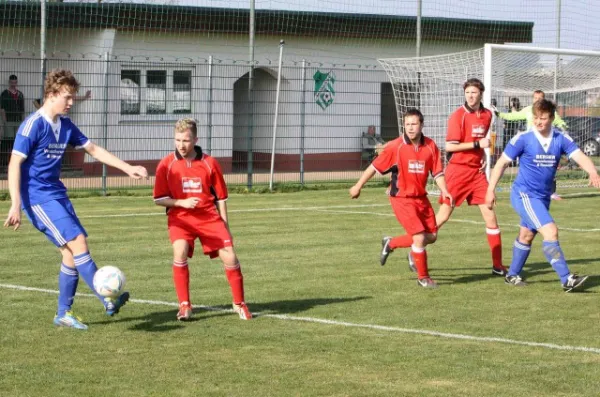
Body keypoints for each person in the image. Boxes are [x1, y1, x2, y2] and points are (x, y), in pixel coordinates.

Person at [3, 69, 148, 330]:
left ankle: (63, 313)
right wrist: (15, 204)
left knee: (70, 255)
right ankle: (107, 299)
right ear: (51, 94)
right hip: (37, 197)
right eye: (68, 97)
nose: (71, 103)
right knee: (78, 242)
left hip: (56, 194)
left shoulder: (66, 125)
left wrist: (127, 168)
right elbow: (14, 164)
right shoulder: (33, 125)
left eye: (73, 97)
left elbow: (93, 149)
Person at [486, 99, 599, 291]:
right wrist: (490, 190)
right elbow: (501, 163)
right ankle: (566, 279)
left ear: (552, 118)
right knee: (551, 231)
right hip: (524, 195)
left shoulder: (561, 138)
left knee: (527, 235)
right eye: (536, 118)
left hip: (543, 197)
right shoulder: (523, 138)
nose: (539, 122)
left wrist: (593, 172)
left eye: (543, 118)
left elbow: (579, 156)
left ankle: (512, 275)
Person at [153, 118, 252, 320]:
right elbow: (159, 199)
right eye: (178, 140)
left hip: (208, 218)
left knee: (231, 257)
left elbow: (221, 198)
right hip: (180, 219)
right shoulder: (166, 164)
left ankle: (239, 303)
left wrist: (225, 225)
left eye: (186, 140)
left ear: (195, 139)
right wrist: (181, 203)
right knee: (179, 252)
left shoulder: (210, 163)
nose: (181, 145)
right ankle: (185, 306)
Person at [349, 108, 452, 288]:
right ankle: (423, 278)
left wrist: (444, 190)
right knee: (419, 237)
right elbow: (374, 167)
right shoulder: (395, 147)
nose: (410, 128)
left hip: (421, 197)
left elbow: (437, 172)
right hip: (401, 198)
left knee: (432, 236)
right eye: (407, 124)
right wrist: (358, 186)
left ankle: (391, 243)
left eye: (414, 124)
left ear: (421, 125)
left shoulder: (430, 146)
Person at [434, 78, 507, 277]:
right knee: (443, 216)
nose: (471, 96)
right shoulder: (458, 116)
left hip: (477, 173)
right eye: (468, 93)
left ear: (481, 93)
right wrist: (477, 146)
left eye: (474, 92)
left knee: (491, 215)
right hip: (457, 172)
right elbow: (450, 146)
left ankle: (497, 265)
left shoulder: (487, 115)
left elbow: (482, 143)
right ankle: (416, 246)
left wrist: (482, 156)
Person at [494, 90, 567, 200]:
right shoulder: (528, 110)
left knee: (548, 167)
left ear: (544, 99)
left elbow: (559, 121)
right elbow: (514, 116)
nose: (537, 100)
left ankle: (551, 192)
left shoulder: (548, 111)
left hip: (546, 142)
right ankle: (526, 190)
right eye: (535, 98)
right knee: (529, 168)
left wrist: (563, 126)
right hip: (530, 144)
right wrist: (499, 114)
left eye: (540, 98)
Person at [1, 74, 25, 168]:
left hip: (18, 121)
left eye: (15, 82)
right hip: (9, 121)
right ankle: (6, 162)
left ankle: (16, 162)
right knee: (8, 141)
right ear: (9, 82)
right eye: (12, 82)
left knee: (17, 141)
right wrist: (5, 122)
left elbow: (22, 110)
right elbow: (2, 109)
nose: (13, 84)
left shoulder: (20, 94)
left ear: (17, 83)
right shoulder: (4, 94)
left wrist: (23, 123)